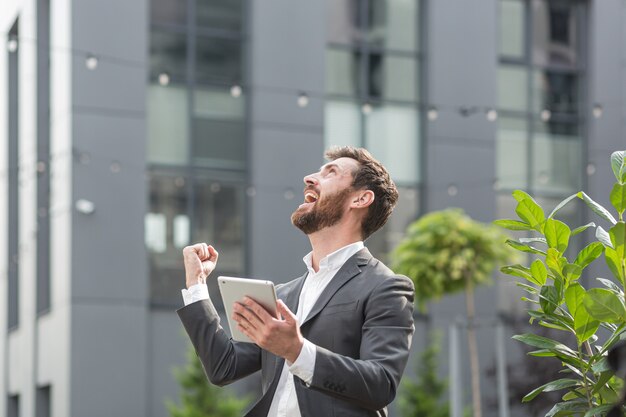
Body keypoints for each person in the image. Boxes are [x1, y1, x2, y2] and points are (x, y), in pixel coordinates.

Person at [177, 146, 415, 417]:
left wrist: (297, 350)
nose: (309, 178)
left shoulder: (386, 286)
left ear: (361, 198)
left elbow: (380, 383)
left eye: (331, 172)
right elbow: (224, 366)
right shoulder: (284, 295)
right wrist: (196, 286)